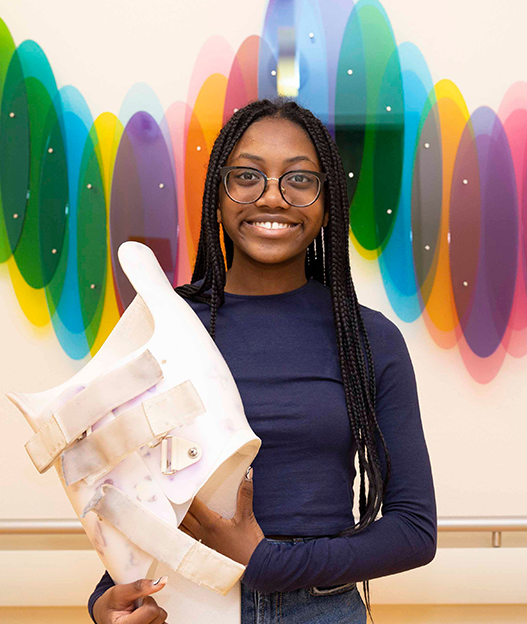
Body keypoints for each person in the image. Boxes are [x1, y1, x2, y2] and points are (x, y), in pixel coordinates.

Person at [90, 98, 437, 624]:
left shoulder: (368, 338)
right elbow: (133, 491)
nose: (272, 198)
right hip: (188, 603)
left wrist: (271, 563)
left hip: (322, 610)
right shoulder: (165, 323)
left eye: (299, 180)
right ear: (218, 193)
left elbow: (414, 530)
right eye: (248, 176)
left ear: (327, 202)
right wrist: (106, 601)